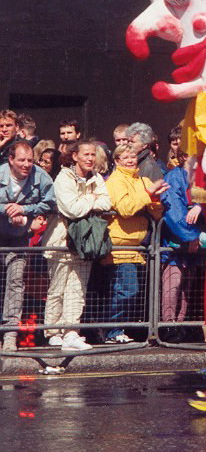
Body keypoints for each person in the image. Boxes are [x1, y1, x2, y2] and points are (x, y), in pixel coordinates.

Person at [42, 140, 111, 351]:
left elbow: (107, 202)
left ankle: (71, 332)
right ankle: (52, 332)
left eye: (93, 155)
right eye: (86, 154)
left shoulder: (96, 177)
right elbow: (71, 209)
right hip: (60, 241)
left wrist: (86, 201)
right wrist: (92, 200)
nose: (90, 159)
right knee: (58, 289)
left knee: (77, 288)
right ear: (75, 156)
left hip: (85, 242)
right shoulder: (63, 177)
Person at [102, 144, 165, 343]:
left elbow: (156, 212)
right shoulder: (115, 181)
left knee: (129, 290)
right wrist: (148, 194)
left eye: (132, 156)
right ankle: (113, 332)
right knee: (126, 289)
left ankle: (118, 331)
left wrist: (154, 199)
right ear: (116, 161)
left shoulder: (142, 180)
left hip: (138, 245)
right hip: (121, 245)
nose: (130, 160)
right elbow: (126, 208)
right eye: (125, 157)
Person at [0, 141, 56, 350]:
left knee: (15, 283)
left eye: (30, 160)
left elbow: (51, 202)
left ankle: (10, 335)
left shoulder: (40, 176)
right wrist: (7, 209)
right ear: (11, 160)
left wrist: (24, 210)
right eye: (21, 160)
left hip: (19, 238)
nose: (26, 164)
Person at [160, 147, 204, 343]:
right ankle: (168, 326)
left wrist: (199, 206)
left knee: (187, 286)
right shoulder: (174, 177)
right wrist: (191, 236)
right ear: (186, 156)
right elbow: (174, 212)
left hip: (195, 243)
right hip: (175, 244)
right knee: (173, 284)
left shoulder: (200, 176)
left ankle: (181, 325)